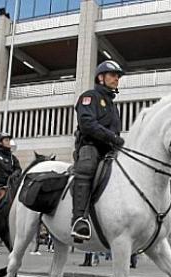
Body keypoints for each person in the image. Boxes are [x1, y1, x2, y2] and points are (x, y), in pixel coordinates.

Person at [71, 60, 125, 241]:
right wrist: (113, 138)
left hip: (110, 151)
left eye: (118, 76)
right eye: (112, 75)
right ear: (100, 77)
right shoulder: (90, 96)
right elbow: (87, 124)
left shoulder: (112, 104)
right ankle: (79, 219)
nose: (116, 79)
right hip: (90, 146)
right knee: (87, 167)